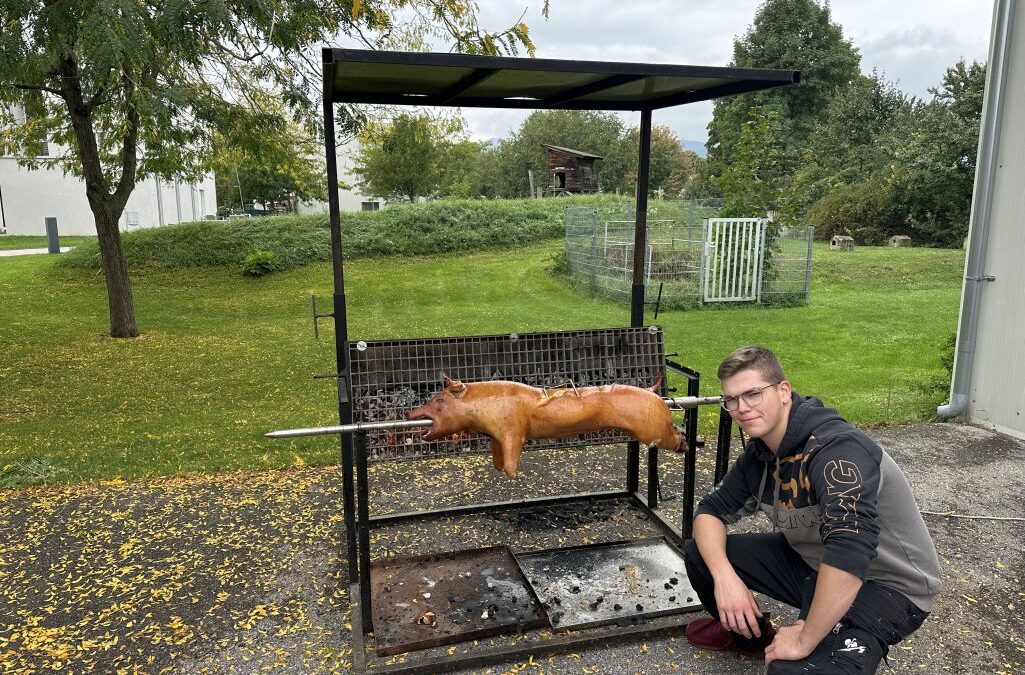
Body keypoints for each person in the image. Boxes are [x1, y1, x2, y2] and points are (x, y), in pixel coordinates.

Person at [683, 345, 941, 674]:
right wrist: (725, 579)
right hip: (816, 564)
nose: (741, 408)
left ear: (783, 391)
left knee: (792, 669)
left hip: (888, 585)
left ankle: (836, 642)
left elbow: (849, 550)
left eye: (752, 394)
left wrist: (805, 638)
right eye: (731, 400)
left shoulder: (837, 450)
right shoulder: (760, 456)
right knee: (700, 555)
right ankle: (753, 638)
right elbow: (709, 512)